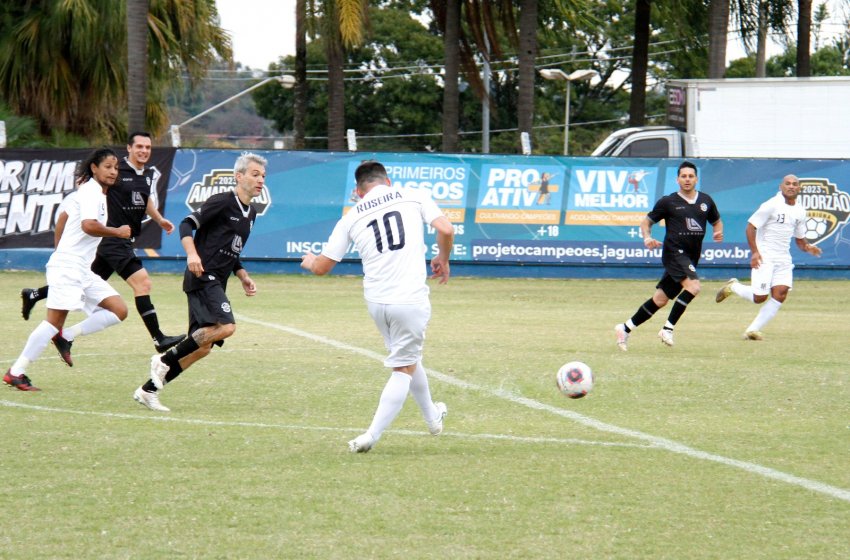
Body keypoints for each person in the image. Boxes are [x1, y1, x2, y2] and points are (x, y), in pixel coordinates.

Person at [301, 160, 454, 453]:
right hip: (409, 299)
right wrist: (442, 259)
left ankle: (433, 417)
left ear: (358, 191)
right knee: (403, 367)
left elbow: (322, 267)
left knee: (407, 357)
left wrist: (308, 261)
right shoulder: (413, 194)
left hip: (377, 303)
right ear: (389, 181)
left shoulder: (351, 216)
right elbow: (446, 230)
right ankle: (371, 435)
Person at [20, 132, 185, 357]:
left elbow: (144, 198)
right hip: (112, 241)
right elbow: (82, 200)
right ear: (129, 148)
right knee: (143, 283)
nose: (144, 151)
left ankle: (36, 296)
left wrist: (158, 219)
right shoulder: (114, 172)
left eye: (147, 147)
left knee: (80, 284)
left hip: (114, 242)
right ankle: (158, 338)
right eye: (139, 146)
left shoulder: (146, 174)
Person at [133, 152, 264, 412]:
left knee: (203, 348)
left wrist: (242, 275)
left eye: (263, 176)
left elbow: (231, 251)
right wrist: (192, 254)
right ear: (239, 177)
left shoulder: (251, 214)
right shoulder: (223, 201)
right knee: (227, 327)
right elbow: (185, 225)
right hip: (203, 276)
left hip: (217, 280)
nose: (260, 180)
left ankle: (148, 390)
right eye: (255, 174)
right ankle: (164, 358)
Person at [4, 148, 131, 391]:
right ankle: (16, 372)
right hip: (69, 267)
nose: (113, 171)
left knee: (118, 310)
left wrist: (62, 251)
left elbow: (63, 218)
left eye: (116, 168)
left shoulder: (94, 194)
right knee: (52, 322)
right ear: (94, 168)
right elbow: (88, 226)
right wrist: (117, 231)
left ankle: (67, 335)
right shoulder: (91, 192)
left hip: (80, 269)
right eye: (108, 167)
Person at [614, 161, 723, 351]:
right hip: (674, 253)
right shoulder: (668, 202)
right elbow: (646, 222)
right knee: (694, 286)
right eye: (683, 176)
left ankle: (625, 328)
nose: (687, 179)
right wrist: (647, 237)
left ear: (696, 179)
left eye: (690, 176)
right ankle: (667, 328)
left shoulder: (706, 201)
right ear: (677, 179)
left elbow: (717, 221)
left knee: (660, 299)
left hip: (691, 257)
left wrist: (717, 232)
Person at [715, 174, 822, 339]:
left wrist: (808, 247)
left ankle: (752, 330)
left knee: (780, 293)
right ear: (781, 186)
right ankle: (733, 286)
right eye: (788, 184)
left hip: (783, 258)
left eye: (795, 184)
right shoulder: (771, 205)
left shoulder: (800, 211)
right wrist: (755, 252)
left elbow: (800, 240)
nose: (791, 186)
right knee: (759, 297)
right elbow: (750, 227)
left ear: (799, 188)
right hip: (765, 256)